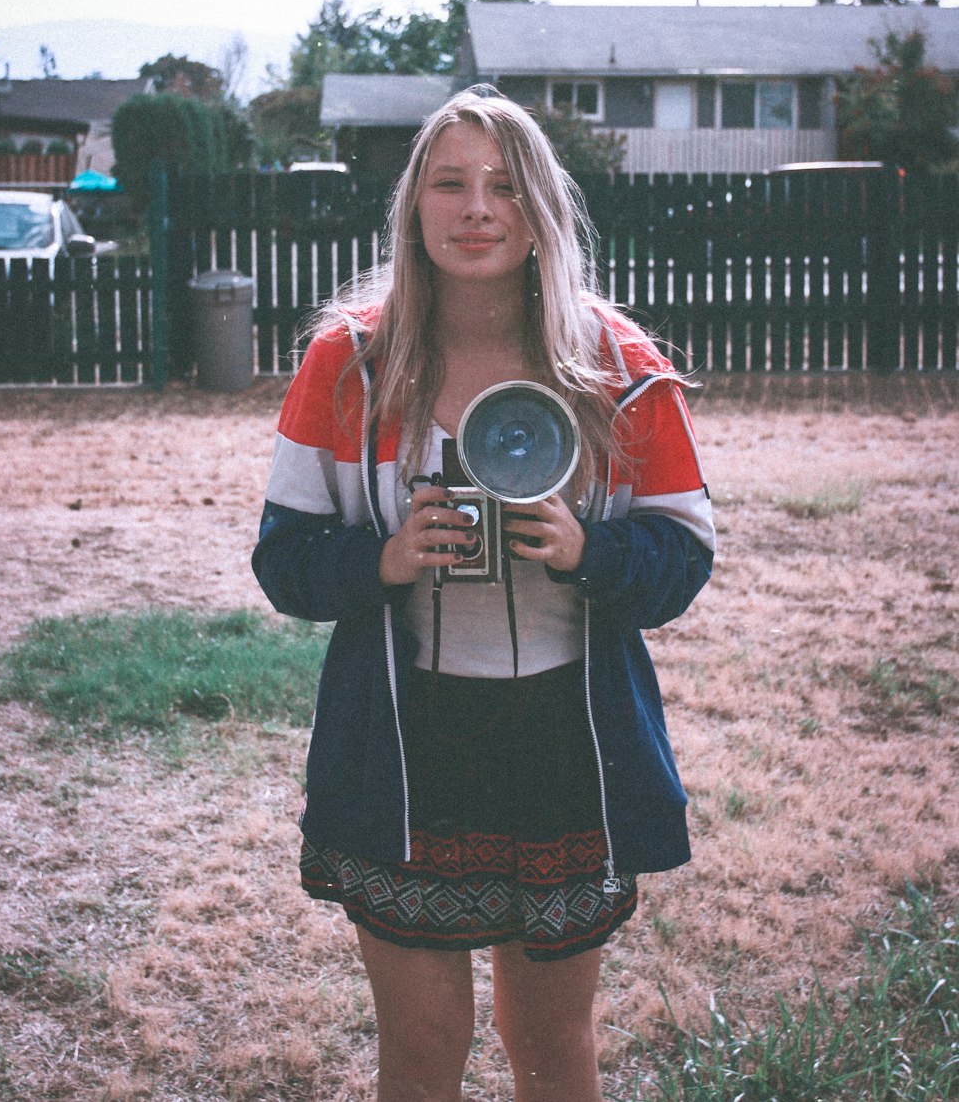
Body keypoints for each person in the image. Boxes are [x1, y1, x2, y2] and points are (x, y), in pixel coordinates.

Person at [252, 87, 714, 1102]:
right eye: (449, 183)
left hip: (569, 746)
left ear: (542, 208)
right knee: (420, 1050)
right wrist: (381, 558)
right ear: (413, 206)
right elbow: (283, 560)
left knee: (553, 1049)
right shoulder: (348, 364)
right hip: (405, 750)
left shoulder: (618, 368)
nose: (476, 208)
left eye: (504, 186)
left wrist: (589, 551)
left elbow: (682, 560)